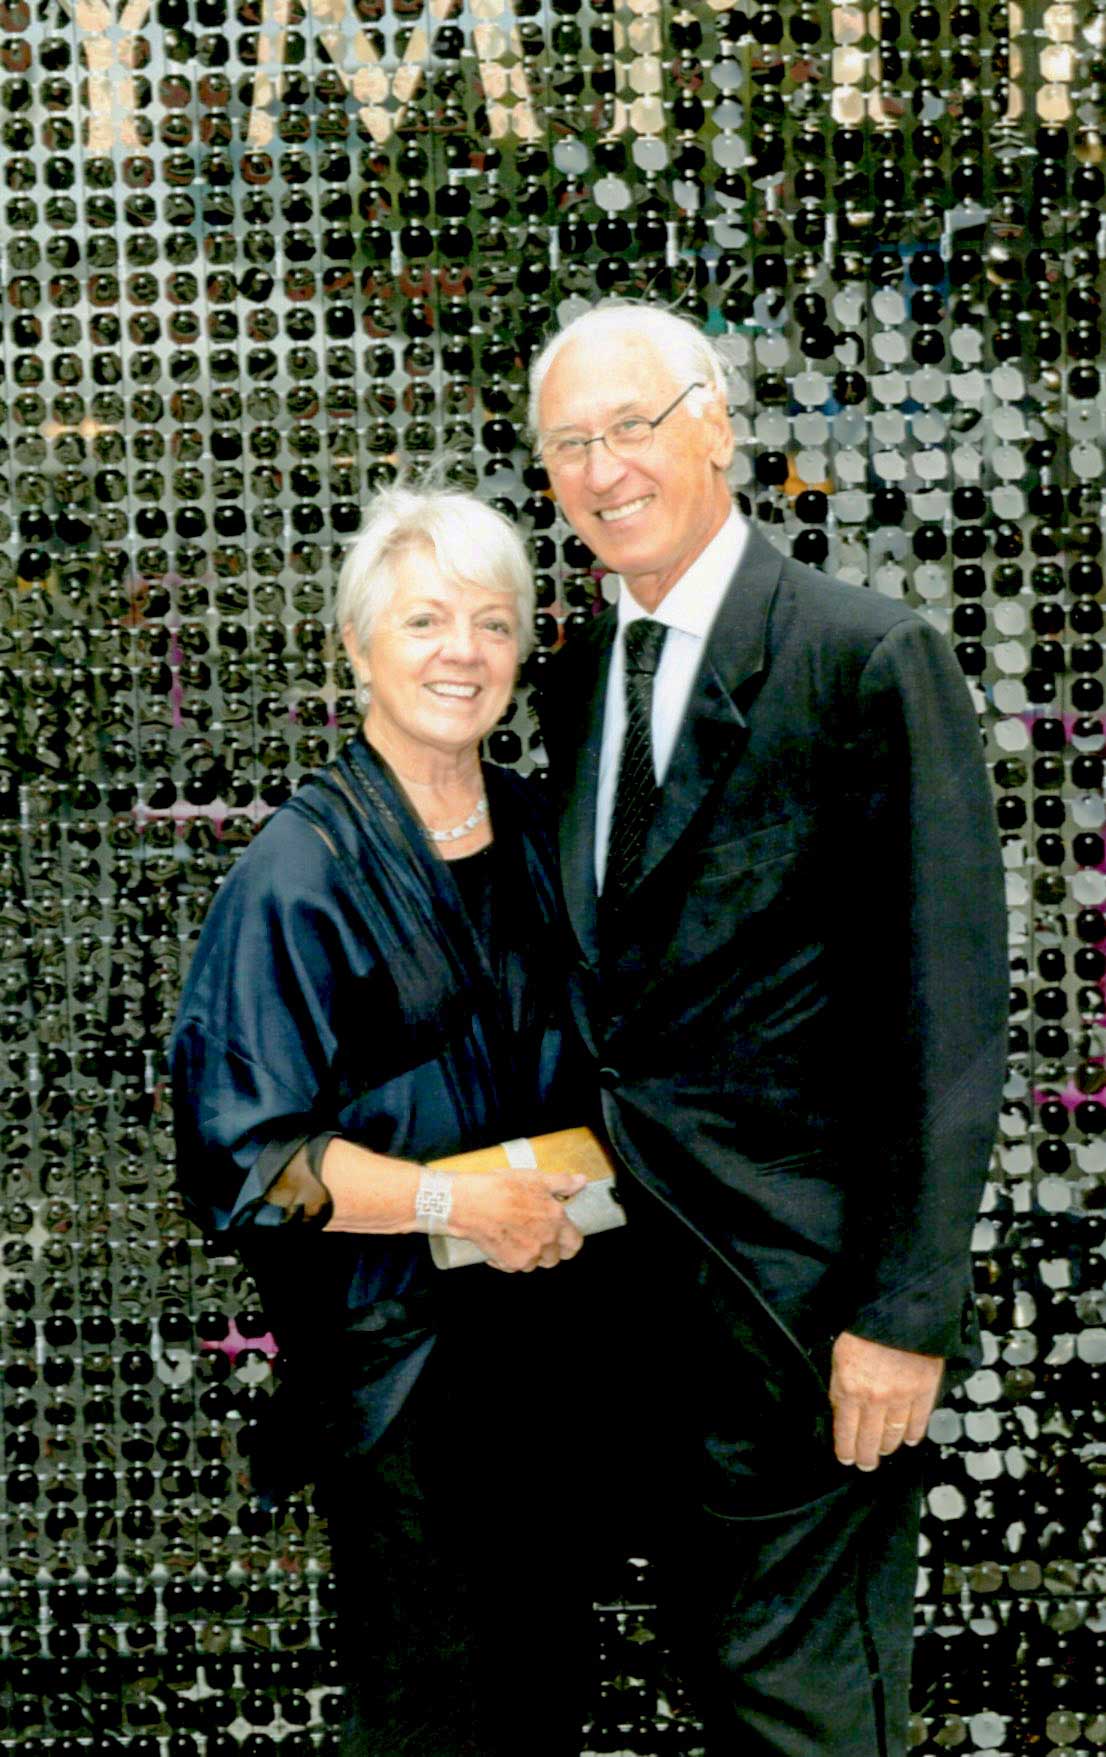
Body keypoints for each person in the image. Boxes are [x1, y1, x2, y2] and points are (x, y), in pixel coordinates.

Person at [530, 300, 1009, 1757]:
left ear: (718, 426)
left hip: (808, 1336)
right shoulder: (565, 685)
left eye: (634, 426)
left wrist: (903, 1315)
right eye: (569, 445)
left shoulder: (864, 662)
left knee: (805, 1728)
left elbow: (947, 1010)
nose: (605, 469)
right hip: (628, 1336)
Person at [170, 481, 619, 1757]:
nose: (460, 653)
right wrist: (447, 1199)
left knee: (544, 1695)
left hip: (551, 1349)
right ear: (358, 644)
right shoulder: (295, 871)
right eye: (424, 620)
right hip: (401, 1379)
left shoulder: (545, 834)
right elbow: (246, 1162)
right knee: (434, 1710)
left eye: (490, 621)